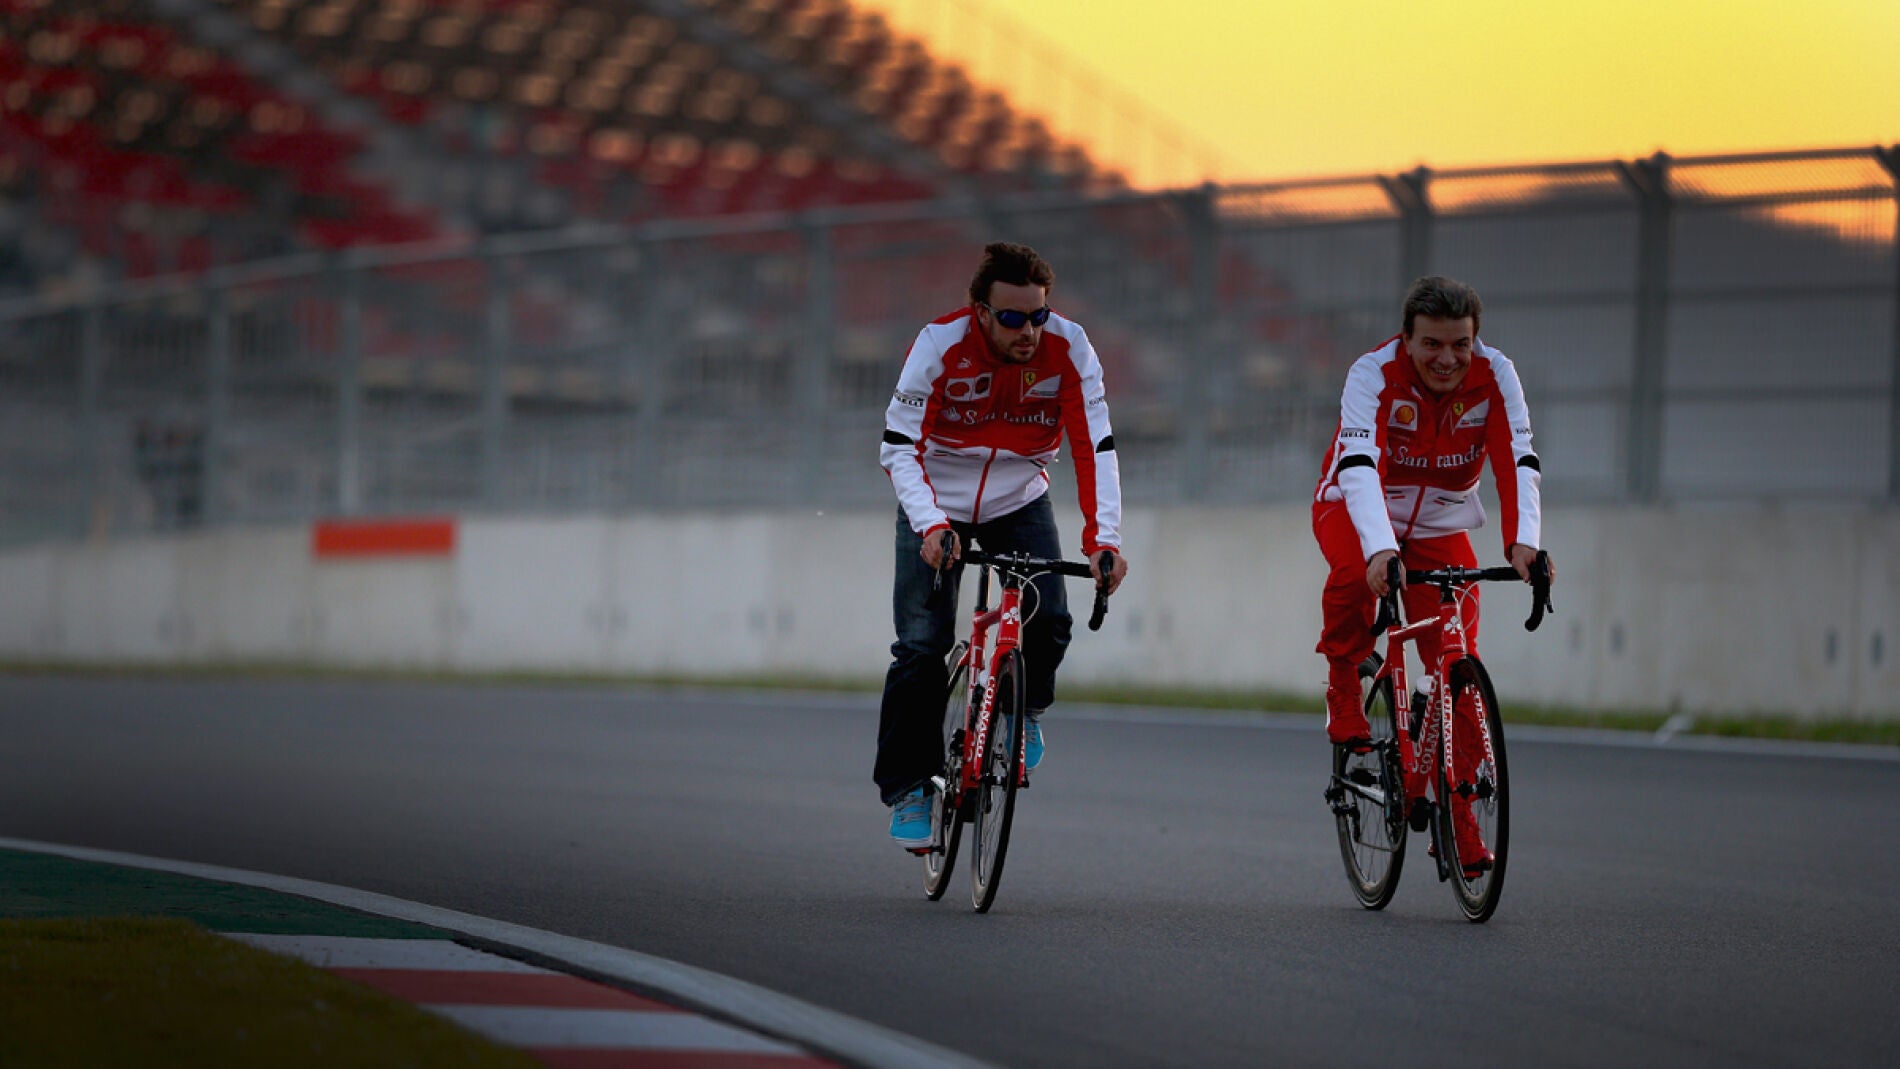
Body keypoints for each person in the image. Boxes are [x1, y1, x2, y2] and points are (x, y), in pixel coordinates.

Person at [876, 242, 1129, 851]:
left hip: (1019, 496)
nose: (1029, 332)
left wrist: (1105, 540)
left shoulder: (1071, 348)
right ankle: (911, 787)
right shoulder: (938, 346)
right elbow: (897, 446)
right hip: (937, 496)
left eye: (1038, 316)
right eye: (1012, 318)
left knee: (1053, 620)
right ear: (980, 312)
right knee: (920, 645)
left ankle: (1025, 709)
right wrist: (931, 523)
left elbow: (1094, 447)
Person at [1311, 275, 1551, 876]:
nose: (1447, 359)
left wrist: (1525, 544)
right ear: (1406, 340)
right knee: (1351, 576)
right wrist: (1378, 548)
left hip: (1443, 518)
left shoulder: (1497, 376)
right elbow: (1361, 464)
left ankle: (1460, 817)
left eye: (1460, 345)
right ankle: (1344, 678)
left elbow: (1516, 457)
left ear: (1476, 342)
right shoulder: (1372, 374)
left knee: (1458, 667)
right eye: (1432, 346)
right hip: (1360, 502)